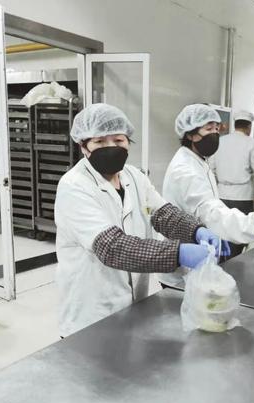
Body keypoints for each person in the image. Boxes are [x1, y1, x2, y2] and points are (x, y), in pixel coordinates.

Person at [54, 104, 224, 337]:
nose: (111, 147)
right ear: (83, 146)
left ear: (128, 141)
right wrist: (178, 253)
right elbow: (111, 246)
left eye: (118, 140)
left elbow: (163, 214)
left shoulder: (133, 176)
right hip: (91, 311)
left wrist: (196, 230)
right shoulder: (74, 187)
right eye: (99, 142)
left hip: (134, 304)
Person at [162, 104, 254, 257]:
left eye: (216, 128)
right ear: (190, 134)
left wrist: (217, 231)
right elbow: (211, 213)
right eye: (208, 129)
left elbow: (210, 204)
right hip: (185, 254)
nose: (214, 134)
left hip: (219, 201)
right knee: (235, 250)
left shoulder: (196, 159)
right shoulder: (186, 170)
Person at [208, 110, 254, 258]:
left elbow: (211, 168)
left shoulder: (221, 141)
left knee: (223, 233)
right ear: (249, 127)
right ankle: (234, 265)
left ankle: (222, 262)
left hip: (221, 196)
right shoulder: (252, 143)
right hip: (243, 197)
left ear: (235, 125)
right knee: (240, 235)